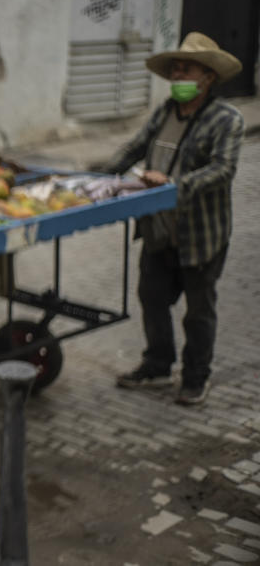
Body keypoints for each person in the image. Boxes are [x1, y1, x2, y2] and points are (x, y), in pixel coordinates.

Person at [104, 32, 244, 405]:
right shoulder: (166, 110)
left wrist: (173, 185)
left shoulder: (226, 119)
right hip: (158, 228)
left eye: (188, 70)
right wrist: (101, 177)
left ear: (208, 77)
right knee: (151, 297)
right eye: (176, 69)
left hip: (200, 233)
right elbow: (135, 148)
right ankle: (157, 365)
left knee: (198, 312)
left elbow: (223, 169)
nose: (179, 76)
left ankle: (196, 376)